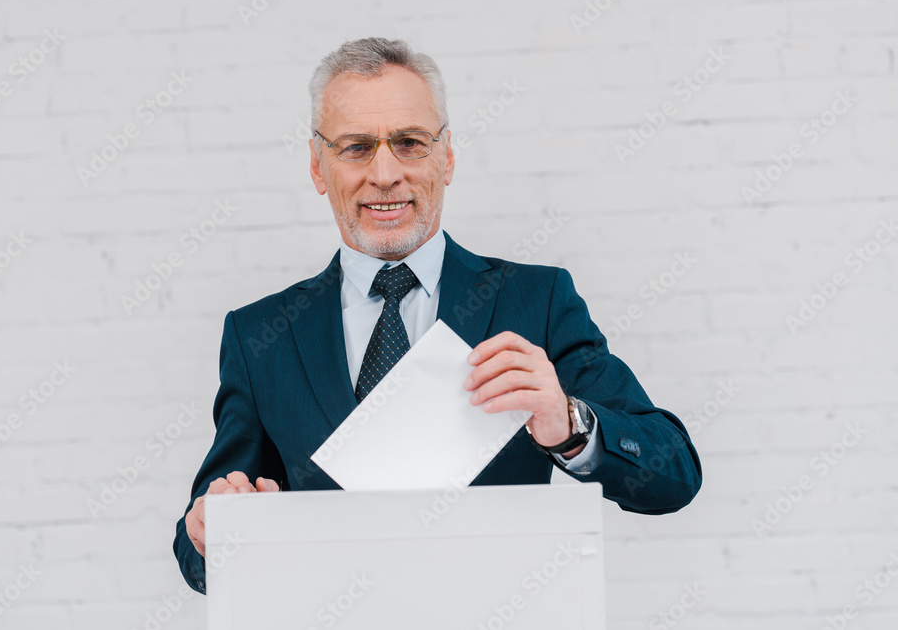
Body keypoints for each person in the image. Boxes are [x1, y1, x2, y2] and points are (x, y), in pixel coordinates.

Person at [173, 37, 702, 594]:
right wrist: (213, 528)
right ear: (317, 166)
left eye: (409, 142)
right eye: (355, 147)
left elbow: (673, 474)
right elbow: (196, 552)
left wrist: (569, 423)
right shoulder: (260, 337)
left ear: (446, 157)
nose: (384, 173)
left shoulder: (535, 301)